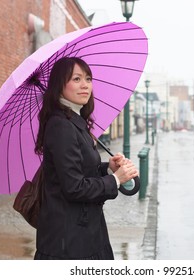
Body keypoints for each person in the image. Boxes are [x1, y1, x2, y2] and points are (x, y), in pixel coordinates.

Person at [34, 57, 139, 259]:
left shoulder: (74, 120)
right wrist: (116, 180)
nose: (85, 85)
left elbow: (80, 167)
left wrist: (108, 168)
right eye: (76, 79)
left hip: (83, 231)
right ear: (59, 85)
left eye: (88, 79)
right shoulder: (61, 125)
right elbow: (74, 187)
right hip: (69, 240)